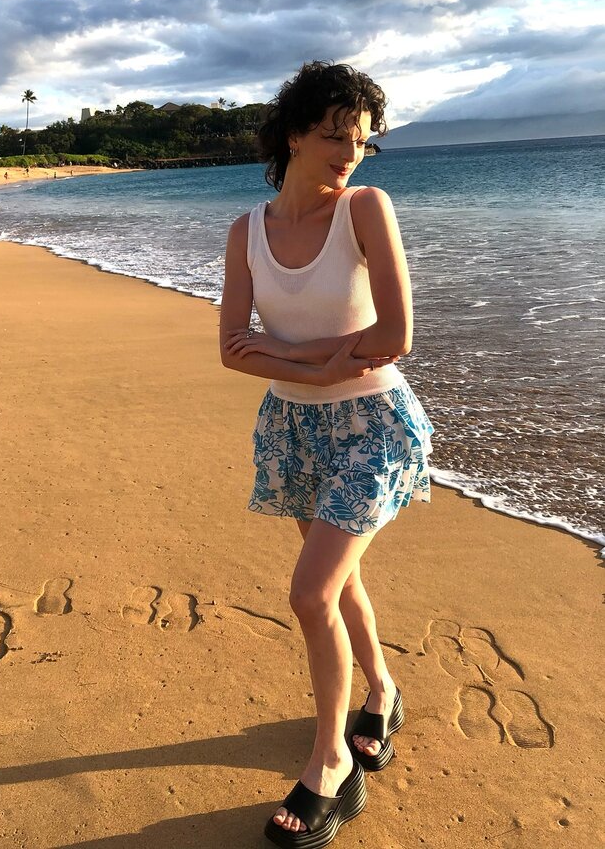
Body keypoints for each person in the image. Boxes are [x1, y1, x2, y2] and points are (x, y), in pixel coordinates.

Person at [219, 61, 433, 847]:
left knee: (310, 593)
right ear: (292, 136)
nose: (349, 153)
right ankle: (381, 692)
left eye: (361, 141)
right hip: (292, 429)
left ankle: (331, 764)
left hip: (373, 425)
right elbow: (230, 349)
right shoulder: (246, 230)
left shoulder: (365, 208)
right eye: (333, 136)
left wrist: (287, 352)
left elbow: (395, 336)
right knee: (337, 584)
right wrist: (314, 365)